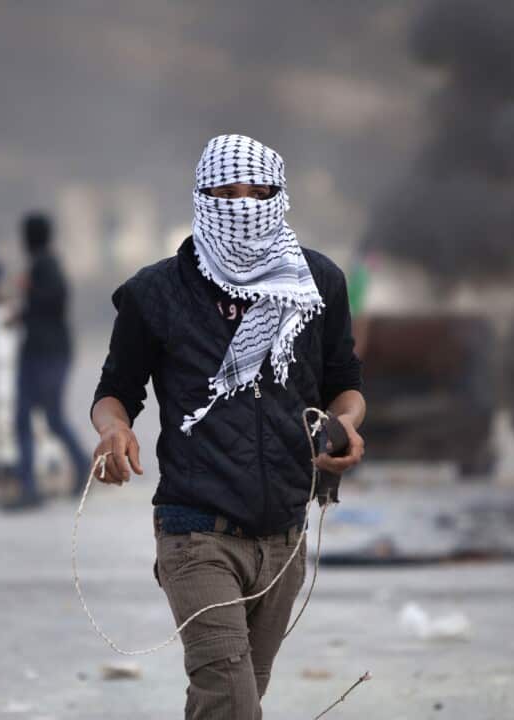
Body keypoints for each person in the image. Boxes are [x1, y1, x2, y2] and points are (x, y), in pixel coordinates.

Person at [90, 134, 366, 719]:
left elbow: (344, 383)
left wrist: (345, 425)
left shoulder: (317, 283)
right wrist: (114, 430)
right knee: (232, 699)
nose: (243, 207)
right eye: (226, 193)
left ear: (280, 196)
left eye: (259, 193)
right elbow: (115, 393)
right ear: (201, 197)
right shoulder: (156, 293)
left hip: (285, 537)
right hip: (197, 533)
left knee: (232, 697)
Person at [8, 213, 90, 510]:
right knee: (33, 417)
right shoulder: (44, 264)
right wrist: (21, 313)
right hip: (40, 351)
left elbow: (55, 300)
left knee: (42, 417)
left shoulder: (45, 265)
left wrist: (28, 291)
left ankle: (74, 469)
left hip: (46, 353)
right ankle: (33, 483)